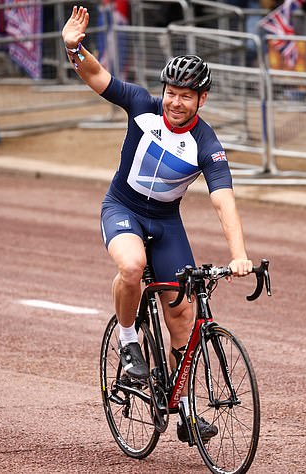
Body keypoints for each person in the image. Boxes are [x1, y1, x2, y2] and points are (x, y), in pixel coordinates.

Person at [62, 5, 253, 443]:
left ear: (202, 100)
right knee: (131, 266)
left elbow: (224, 201)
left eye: (187, 96)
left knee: (183, 312)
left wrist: (239, 255)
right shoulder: (142, 107)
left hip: (166, 222)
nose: (175, 101)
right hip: (123, 207)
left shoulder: (207, 144)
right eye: (171, 92)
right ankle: (129, 341)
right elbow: (97, 77)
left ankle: (182, 409)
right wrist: (74, 47)